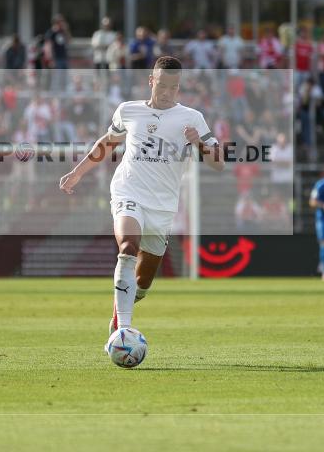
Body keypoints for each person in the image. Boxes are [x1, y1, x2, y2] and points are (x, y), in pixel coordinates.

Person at [58, 56, 224, 335]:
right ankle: (122, 329)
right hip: (128, 190)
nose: (167, 92)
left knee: (142, 284)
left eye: (174, 87)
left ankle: (123, 305)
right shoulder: (128, 111)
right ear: (151, 81)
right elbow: (107, 143)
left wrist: (198, 143)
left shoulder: (192, 118)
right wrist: (78, 172)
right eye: (162, 85)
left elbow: (219, 163)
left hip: (162, 205)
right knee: (127, 248)